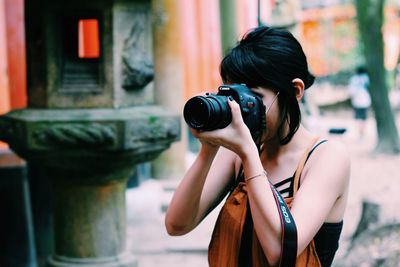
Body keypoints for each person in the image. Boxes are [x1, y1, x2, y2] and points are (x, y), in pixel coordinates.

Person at [165, 26, 350, 267]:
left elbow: (280, 252)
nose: (241, 108)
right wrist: (207, 150)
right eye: (235, 96)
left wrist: (249, 154)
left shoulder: (326, 157)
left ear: (295, 91)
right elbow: (177, 225)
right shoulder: (237, 156)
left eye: (252, 97)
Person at [349, 66, 371, 140]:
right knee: (364, 118)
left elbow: (351, 92)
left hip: (357, 101)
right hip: (366, 101)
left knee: (358, 118)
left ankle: (359, 134)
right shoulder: (367, 78)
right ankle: (363, 134)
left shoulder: (354, 79)